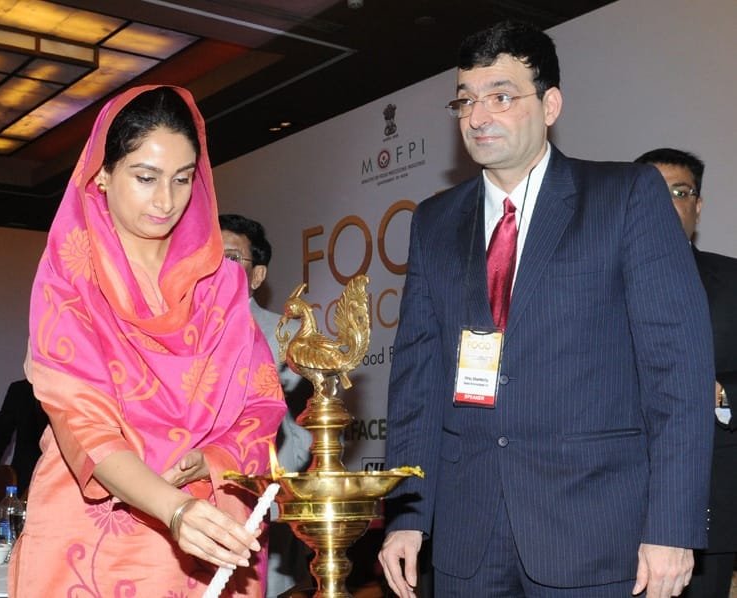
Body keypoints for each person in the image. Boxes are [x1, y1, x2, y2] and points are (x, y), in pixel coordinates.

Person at [378, 21, 714, 598]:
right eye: (467, 100)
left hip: (598, 534)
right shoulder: (433, 222)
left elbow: (677, 374)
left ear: (550, 104)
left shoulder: (625, 197)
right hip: (468, 536)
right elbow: (417, 380)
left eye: (502, 96)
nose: (478, 116)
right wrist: (407, 515)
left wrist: (672, 528)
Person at [9, 86, 286, 597]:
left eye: (183, 179)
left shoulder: (221, 284)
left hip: (208, 527)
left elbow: (261, 403)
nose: (166, 200)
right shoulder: (72, 279)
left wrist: (214, 458)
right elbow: (83, 424)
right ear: (103, 173)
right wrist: (172, 508)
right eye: (146, 177)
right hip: (92, 530)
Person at [635, 148, 737, 598]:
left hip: (709, 507)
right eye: (651, 193)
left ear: (697, 204)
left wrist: (720, 393)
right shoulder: (589, 284)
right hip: (603, 509)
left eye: (679, 192)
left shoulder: (733, 281)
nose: (666, 203)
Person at [218, 213, 314, 597]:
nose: (216, 267)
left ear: (257, 276)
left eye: (230, 257)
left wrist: (271, 487)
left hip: (265, 503)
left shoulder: (289, 336)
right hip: (198, 506)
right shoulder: (183, 336)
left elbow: (307, 425)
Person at [0, 378, 48, 496]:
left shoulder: (71, 389)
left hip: (60, 477)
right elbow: (1, 432)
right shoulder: (20, 389)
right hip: (23, 476)